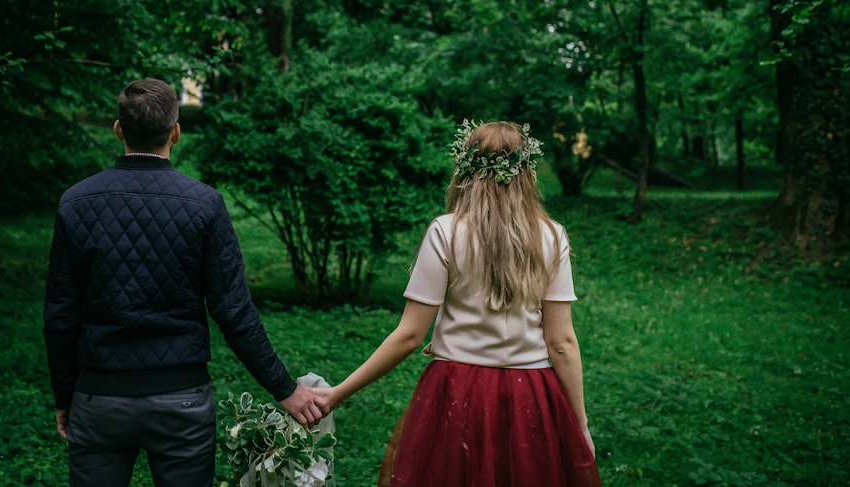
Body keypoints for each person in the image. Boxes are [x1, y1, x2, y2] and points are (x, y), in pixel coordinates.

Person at [43, 78, 329, 487]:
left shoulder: (76, 202)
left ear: (118, 129)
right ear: (176, 132)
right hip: (181, 403)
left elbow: (60, 314)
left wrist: (65, 395)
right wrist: (284, 389)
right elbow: (233, 311)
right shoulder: (204, 205)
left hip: (98, 399)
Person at [317, 120, 601, 486]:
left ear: (465, 171)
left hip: (457, 390)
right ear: (527, 173)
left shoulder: (446, 231)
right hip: (528, 393)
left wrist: (337, 393)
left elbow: (409, 336)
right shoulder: (551, 235)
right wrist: (580, 424)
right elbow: (561, 343)